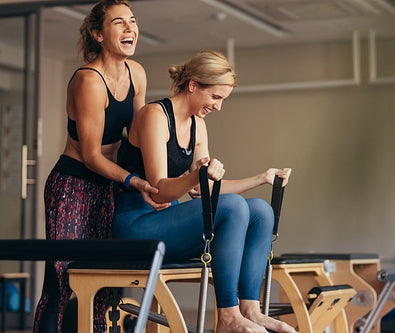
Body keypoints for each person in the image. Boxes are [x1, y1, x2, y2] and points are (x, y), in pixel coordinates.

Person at [112, 50, 296, 333]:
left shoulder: (198, 125)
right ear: (194, 85)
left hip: (167, 225)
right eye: (216, 97)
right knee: (233, 206)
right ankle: (227, 316)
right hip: (137, 226)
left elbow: (205, 189)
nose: (218, 107)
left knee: (260, 210)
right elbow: (159, 190)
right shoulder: (155, 116)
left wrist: (262, 178)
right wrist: (196, 174)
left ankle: (250, 310)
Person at [33, 1, 167, 332]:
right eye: (118, 23)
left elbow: (138, 135)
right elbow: (92, 155)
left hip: (109, 183)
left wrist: (167, 177)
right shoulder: (88, 80)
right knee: (63, 283)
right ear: (98, 34)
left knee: (101, 281)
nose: (129, 28)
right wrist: (136, 182)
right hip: (73, 183)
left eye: (132, 22)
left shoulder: (137, 73)